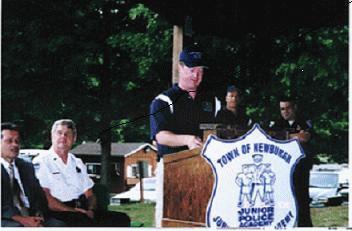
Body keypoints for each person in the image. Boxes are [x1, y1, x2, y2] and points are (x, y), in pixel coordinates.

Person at [150, 46, 215, 227]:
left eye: (200, 71)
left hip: (205, 171)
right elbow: (160, 136)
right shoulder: (163, 101)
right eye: (192, 69)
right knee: (171, 219)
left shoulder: (211, 101)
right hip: (173, 171)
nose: (196, 75)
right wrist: (187, 140)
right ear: (180, 67)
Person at [32, 119, 130, 227]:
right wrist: (74, 211)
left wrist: (91, 210)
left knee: (121, 219)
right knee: (83, 223)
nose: (63, 137)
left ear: (74, 139)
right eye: (59, 133)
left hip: (81, 210)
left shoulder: (77, 162)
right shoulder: (42, 161)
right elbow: (47, 200)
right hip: (56, 212)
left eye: (67, 134)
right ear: (52, 136)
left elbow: (90, 194)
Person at [1, 122, 65, 227]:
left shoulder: (26, 167)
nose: (15, 145)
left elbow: (38, 196)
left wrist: (39, 215)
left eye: (17, 141)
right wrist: (22, 219)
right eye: (9, 141)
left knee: (59, 225)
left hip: (31, 216)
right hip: (7, 218)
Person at [270, 97, 313, 227]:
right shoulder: (276, 124)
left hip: (301, 167)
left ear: (294, 108)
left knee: (301, 198)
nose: (285, 112)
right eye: (282, 109)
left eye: (288, 108)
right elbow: (272, 137)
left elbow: (305, 137)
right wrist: (293, 136)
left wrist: (285, 137)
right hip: (283, 168)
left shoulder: (304, 121)